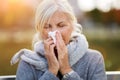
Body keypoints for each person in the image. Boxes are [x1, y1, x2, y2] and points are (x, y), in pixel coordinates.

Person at [11, 0, 107, 80]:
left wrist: (66, 69)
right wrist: (52, 71)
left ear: (72, 26)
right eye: (47, 26)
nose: (54, 32)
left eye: (61, 25)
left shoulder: (93, 59)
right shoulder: (28, 63)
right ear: (39, 30)